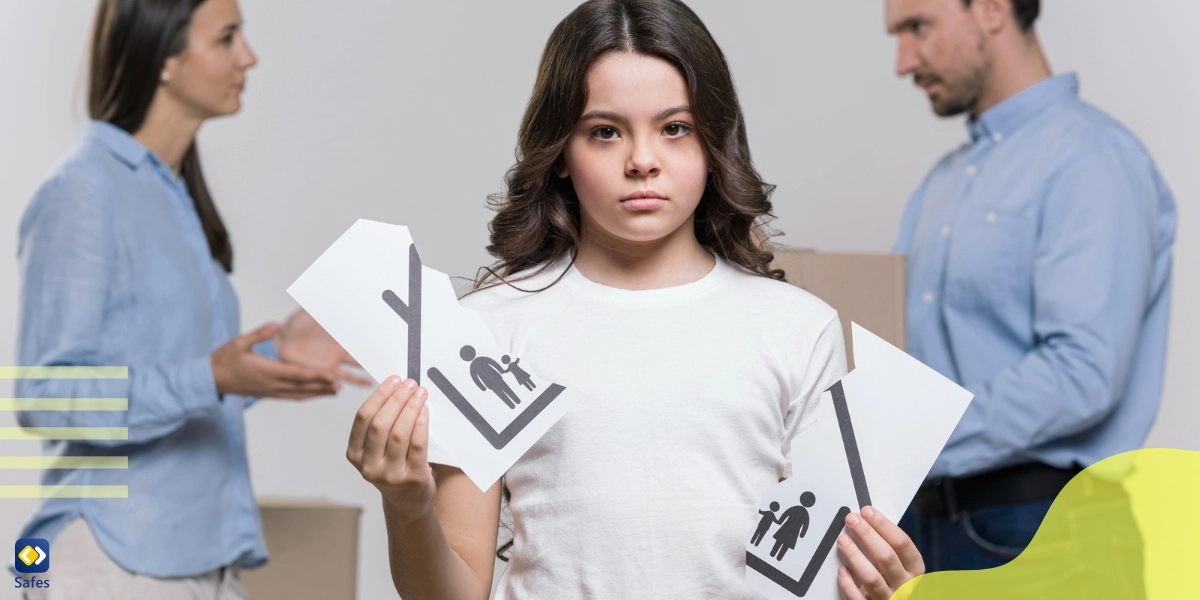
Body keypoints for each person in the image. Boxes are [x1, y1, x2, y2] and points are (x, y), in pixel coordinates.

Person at [346, 2, 925, 599]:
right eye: (605, 131)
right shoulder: (486, 330)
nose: (642, 160)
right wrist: (407, 503)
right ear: (561, 153)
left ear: (713, 142)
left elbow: (815, 575)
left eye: (675, 128)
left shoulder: (798, 330)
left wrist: (884, 588)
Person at [13, 0, 366, 597]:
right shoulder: (86, 189)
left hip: (202, 562)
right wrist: (209, 377)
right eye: (227, 38)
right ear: (164, 56)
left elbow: (187, 376)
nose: (248, 57)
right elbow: (43, 396)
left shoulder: (173, 196)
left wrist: (280, 351)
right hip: (110, 558)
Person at [886, 0, 1175, 579]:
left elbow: (1083, 371)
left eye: (918, 27)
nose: (902, 61)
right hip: (923, 528)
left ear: (992, 10)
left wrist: (916, 437)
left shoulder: (1092, 159)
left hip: (1044, 527)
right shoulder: (939, 184)